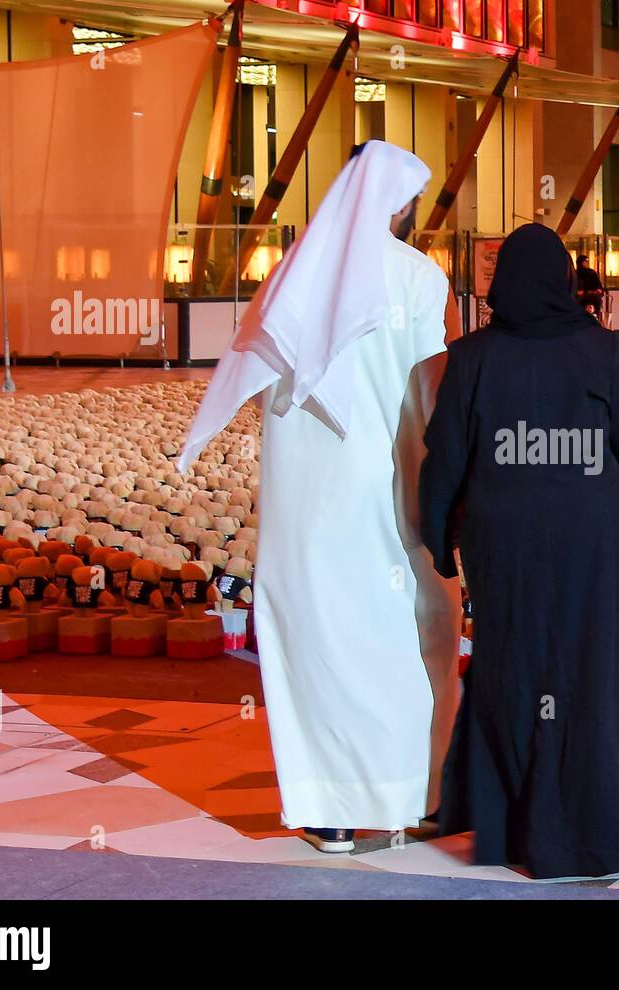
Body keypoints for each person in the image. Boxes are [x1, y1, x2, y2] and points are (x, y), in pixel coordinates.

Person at [178, 140, 462, 855]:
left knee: (311, 638)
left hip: (303, 494)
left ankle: (327, 814)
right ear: (399, 203)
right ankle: (394, 805)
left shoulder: (291, 274)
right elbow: (431, 396)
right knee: (385, 634)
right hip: (382, 480)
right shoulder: (421, 279)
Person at [419, 223, 619, 880]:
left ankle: (520, 830)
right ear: (566, 279)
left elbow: (445, 456)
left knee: (517, 673)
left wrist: (438, 540)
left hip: (506, 544)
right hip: (597, 545)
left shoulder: (474, 356)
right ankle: (595, 833)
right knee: (591, 677)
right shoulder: (597, 349)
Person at [575, 254, 605, 325]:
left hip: (593, 296)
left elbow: (598, 285)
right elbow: (574, 287)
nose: (587, 263)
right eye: (585, 261)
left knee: (597, 300)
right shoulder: (575, 274)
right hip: (581, 297)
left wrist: (598, 290)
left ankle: (595, 319)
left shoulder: (591, 272)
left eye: (588, 261)